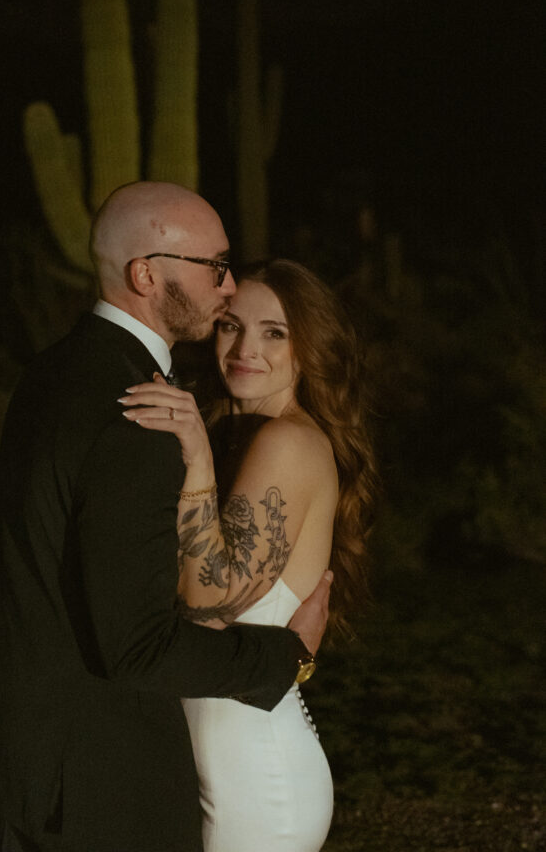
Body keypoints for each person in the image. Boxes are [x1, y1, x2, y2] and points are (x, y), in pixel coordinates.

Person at [0, 184, 333, 852]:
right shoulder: (141, 414)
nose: (225, 288)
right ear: (145, 274)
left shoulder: (52, 372)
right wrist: (287, 653)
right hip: (98, 771)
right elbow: (138, 644)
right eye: (213, 268)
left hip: (38, 755)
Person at [121, 258, 376, 852]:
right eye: (231, 325)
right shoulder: (237, 433)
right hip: (214, 767)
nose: (244, 348)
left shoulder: (286, 442)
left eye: (275, 333)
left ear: (310, 350)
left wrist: (198, 461)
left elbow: (210, 603)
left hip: (258, 783)